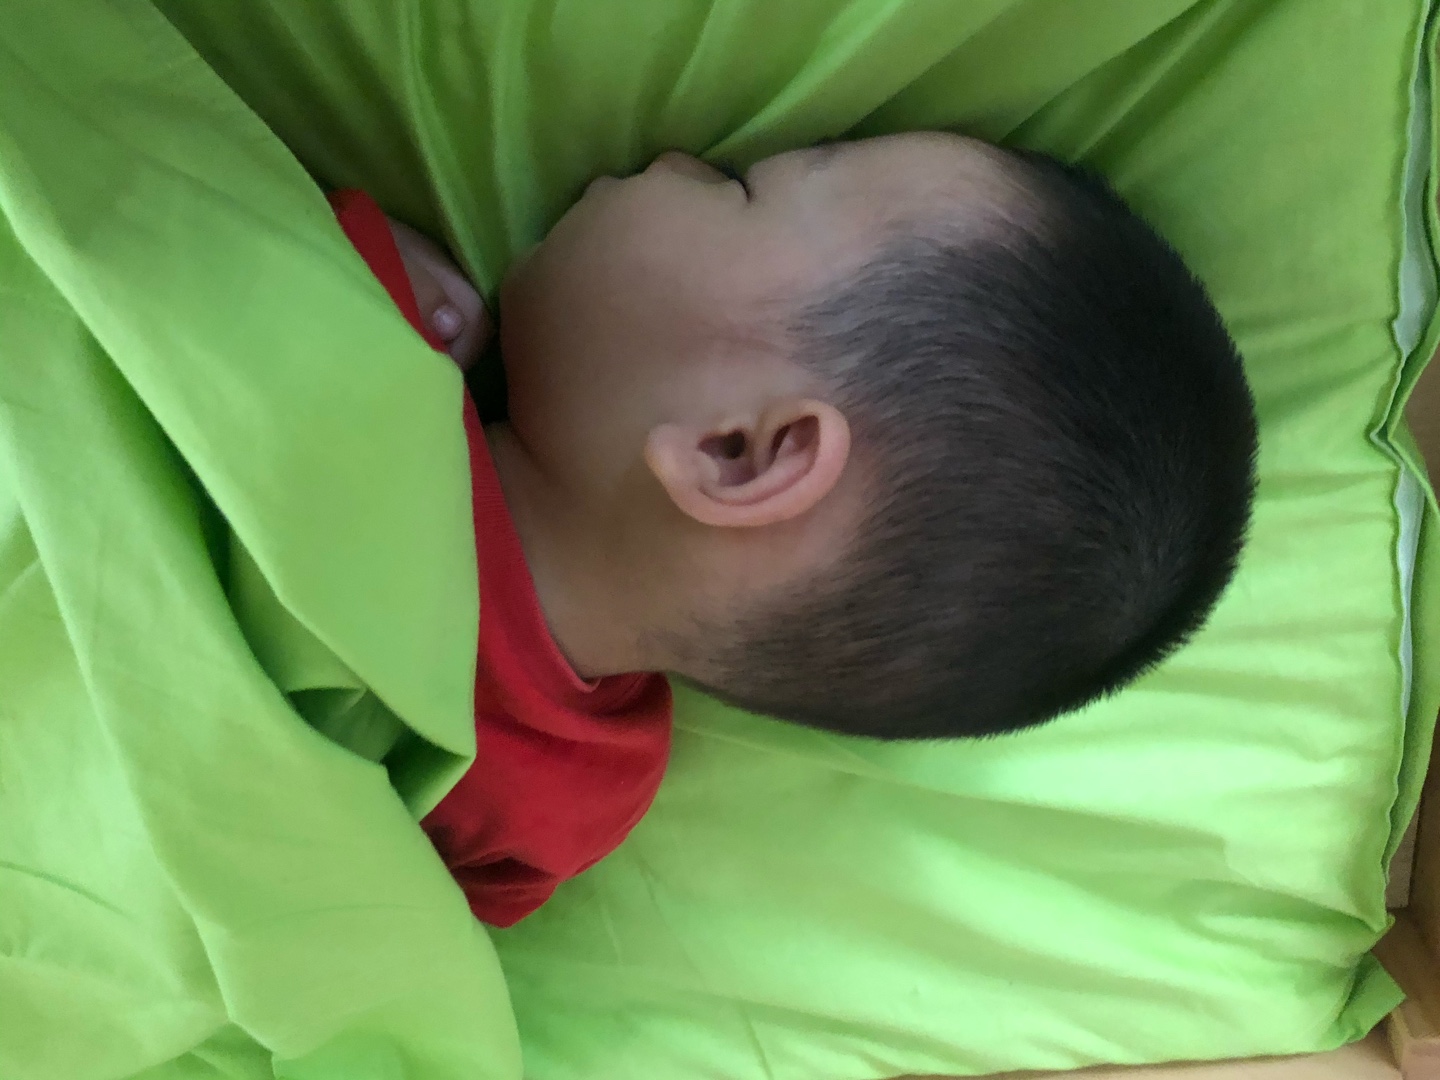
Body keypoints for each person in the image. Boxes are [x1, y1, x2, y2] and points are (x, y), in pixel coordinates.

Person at [329, 131, 1259, 926]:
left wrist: (338, 272)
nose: (678, 158)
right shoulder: (573, 794)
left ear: (739, 453)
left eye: (739, 188)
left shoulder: (354, 343)